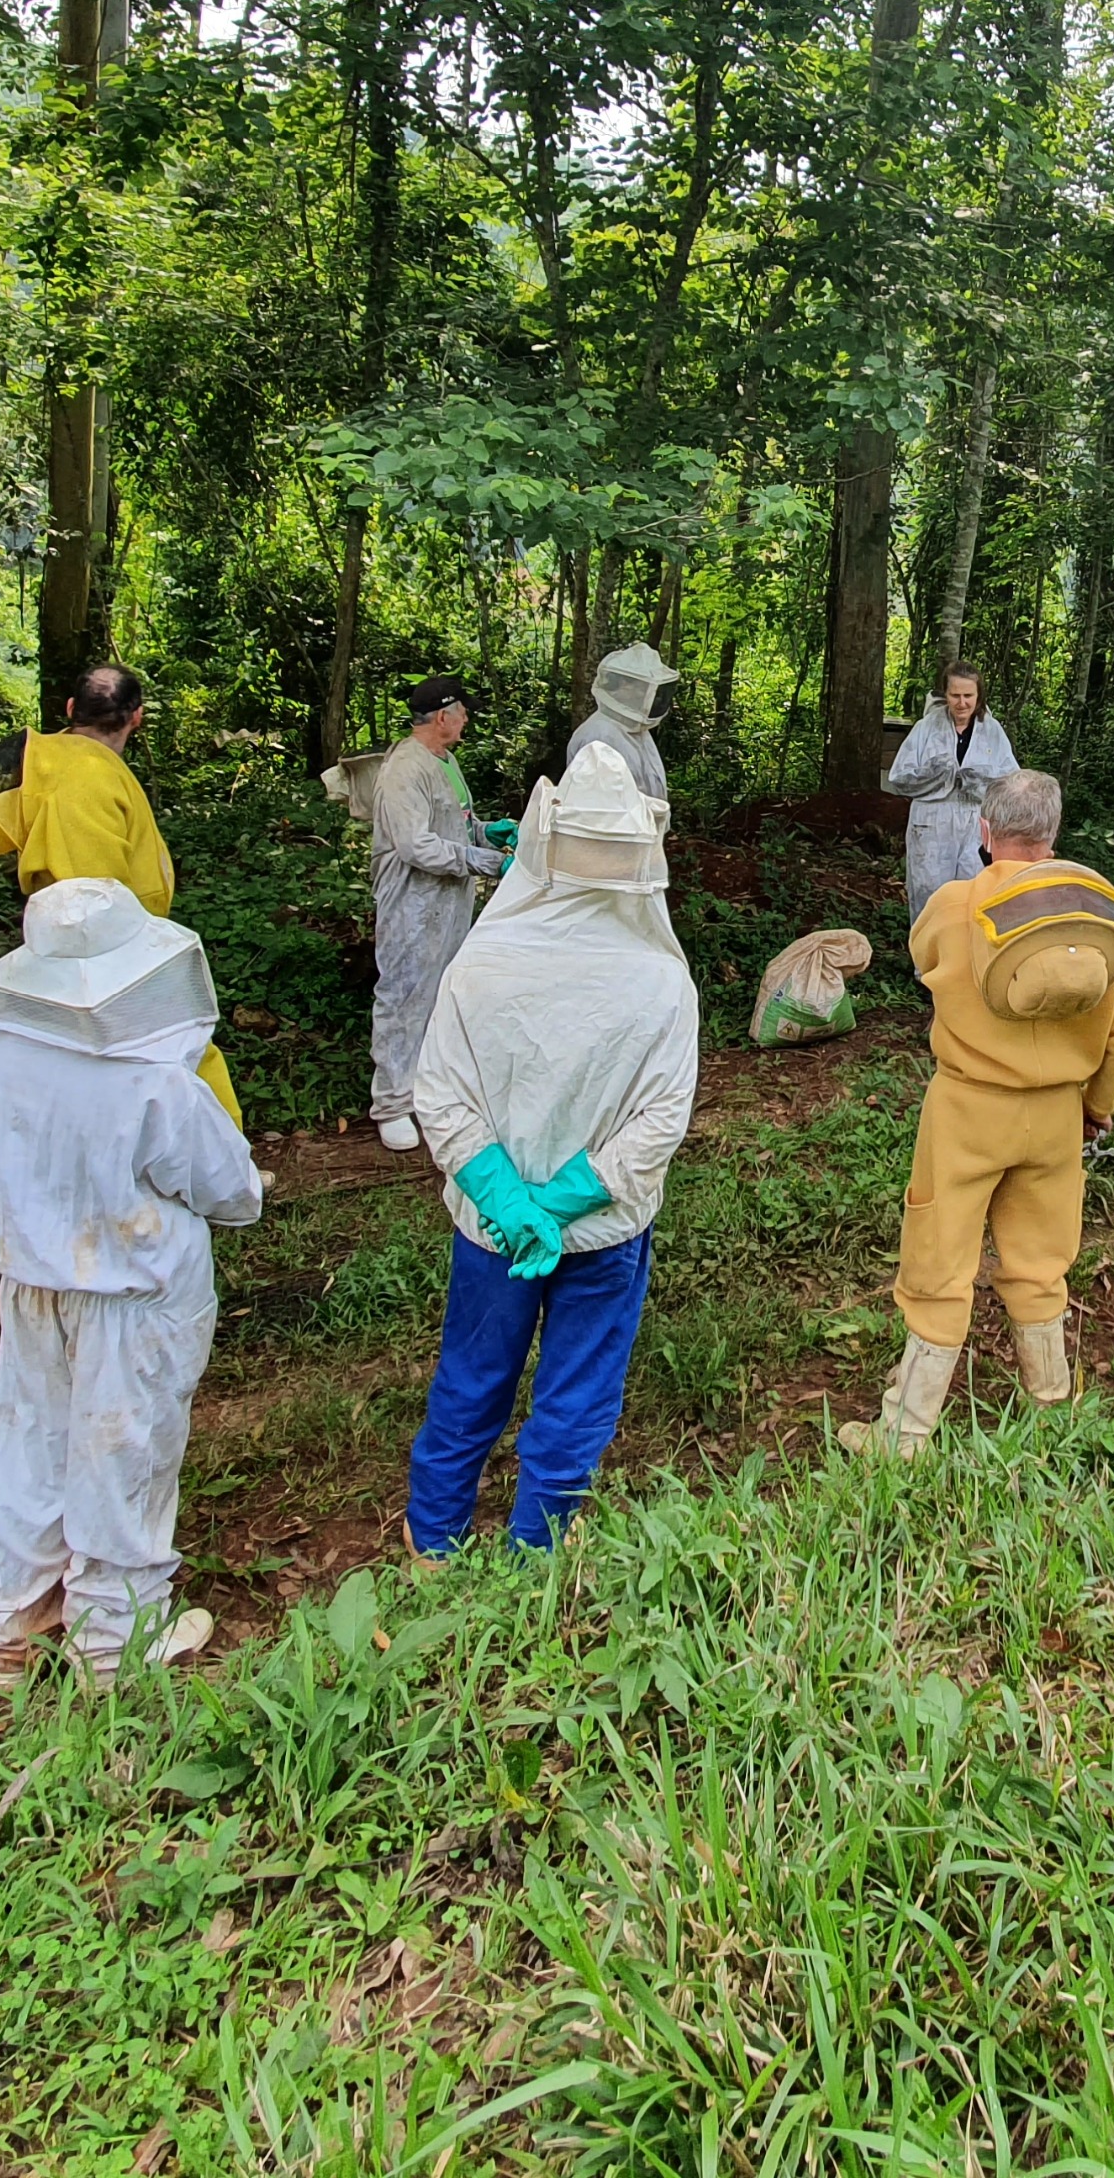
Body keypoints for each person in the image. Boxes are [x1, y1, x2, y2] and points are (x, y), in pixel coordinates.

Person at [0, 878, 264, 1678]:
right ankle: (114, 1637)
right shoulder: (155, 1083)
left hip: (32, 1284)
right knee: (125, 1451)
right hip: (138, 1292)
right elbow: (233, 1192)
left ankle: (15, 1620)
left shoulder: (4, 1056)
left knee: (33, 1441)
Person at [405, 744, 698, 1552]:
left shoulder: (481, 964)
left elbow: (440, 1096)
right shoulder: (661, 981)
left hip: (493, 1233)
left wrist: (511, 1203)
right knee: (578, 1390)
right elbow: (659, 1123)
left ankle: (435, 1540)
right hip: (601, 1230)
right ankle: (538, 1550)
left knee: (472, 1376)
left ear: (543, 842)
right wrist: (562, 1201)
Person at [845, 769, 1114, 1455]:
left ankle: (905, 1432)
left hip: (968, 1110)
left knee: (940, 1260)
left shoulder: (954, 904)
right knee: (1040, 1263)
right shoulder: (1099, 911)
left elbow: (925, 960)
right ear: (1054, 834)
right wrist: (1096, 1107)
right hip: (1059, 1114)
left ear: (985, 831)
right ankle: (1053, 1408)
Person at [0, 660, 237, 1122]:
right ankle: (217, 1156)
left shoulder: (43, 761)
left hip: (54, 947)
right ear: (137, 717)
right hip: (112, 950)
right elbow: (97, 900)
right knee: (175, 1051)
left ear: (69, 709)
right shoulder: (90, 773)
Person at [367, 674, 510, 1152]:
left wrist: (488, 832)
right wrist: (484, 861)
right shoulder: (404, 769)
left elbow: (456, 825)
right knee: (405, 996)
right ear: (443, 716)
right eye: (463, 712)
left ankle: (429, 1093)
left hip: (448, 903)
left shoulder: (445, 761)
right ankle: (392, 1104)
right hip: (413, 902)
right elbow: (416, 845)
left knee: (443, 996)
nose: (467, 720)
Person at [884, 664, 1021, 914]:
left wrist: (980, 779)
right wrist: (933, 773)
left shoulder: (993, 732)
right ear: (945, 694)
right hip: (930, 823)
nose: (962, 703)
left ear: (979, 696)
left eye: (968, 695)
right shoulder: (926, 728)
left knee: (973, 895)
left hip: (975, 824)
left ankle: (965, 942)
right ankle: (927, 941)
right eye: (955, 695)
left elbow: (1011, 783)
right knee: (929, 897)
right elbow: (899, 778)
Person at [567, 641, 679, 803]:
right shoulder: (599, 736)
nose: (645, 694)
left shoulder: (636, 729)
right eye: (641, 687)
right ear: (623, 685)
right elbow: (598, 807)